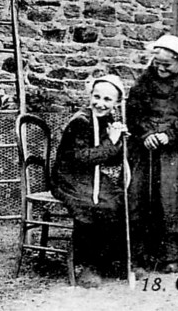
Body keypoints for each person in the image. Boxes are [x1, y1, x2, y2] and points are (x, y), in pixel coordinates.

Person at [126, 35, 178, 274]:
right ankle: (141, 255)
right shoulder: (145, 80)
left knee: (171, 201)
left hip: (173, 152)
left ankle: (171, 255)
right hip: (145, 149)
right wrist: (145, 133)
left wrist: (170, 135)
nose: (160, 68)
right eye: (157, 63)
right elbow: (134, 110)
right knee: (140, 197)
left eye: (166, 65)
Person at [52, 75, 129, 288]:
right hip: (69, 178)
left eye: (107, 99)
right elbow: (82, 158)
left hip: (90, 176)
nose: (100, 103)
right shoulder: (80, 121)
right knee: (92, 206)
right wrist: (110, 141)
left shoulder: (108, 120)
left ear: (116, 103)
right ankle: (89, 265)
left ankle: (114, 261)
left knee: (117, 200)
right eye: (97, 97)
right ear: (90, 96)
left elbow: (109, 157)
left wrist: (119, 140)